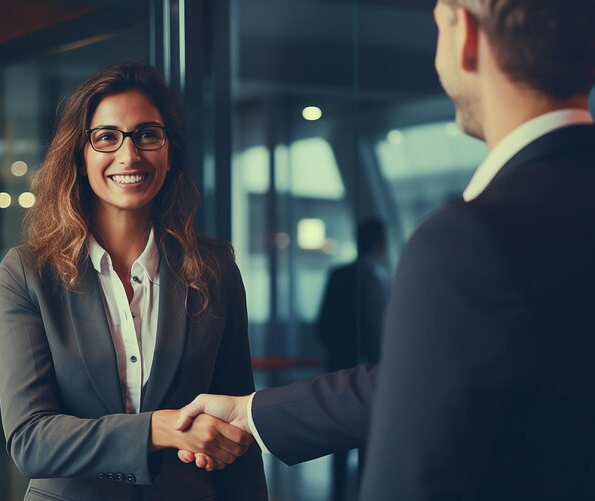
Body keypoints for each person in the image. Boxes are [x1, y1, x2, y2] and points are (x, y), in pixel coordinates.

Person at [175, 0, 595, 499]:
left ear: (464, 35)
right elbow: (432, 381)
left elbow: (412, 479)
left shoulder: (466, 241)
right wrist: (253, 412)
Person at [0, 62, 268, 501]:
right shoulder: (27, 271)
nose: (129, 155)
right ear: (80, 158)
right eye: (106, 137)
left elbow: (238, 429)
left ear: (169, 150)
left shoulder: (214, 267)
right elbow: (31, 440)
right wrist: (159, 429)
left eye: (147, 134)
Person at [316, 217, 390, 501]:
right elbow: (378, 329)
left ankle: (337, 496)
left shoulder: (339, 274)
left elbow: (323, 323)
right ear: (378, 242)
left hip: (338, 368)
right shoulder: (377, 277)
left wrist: (338, 355)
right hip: (370, 371)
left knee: (338, 445)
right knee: (369, 444)